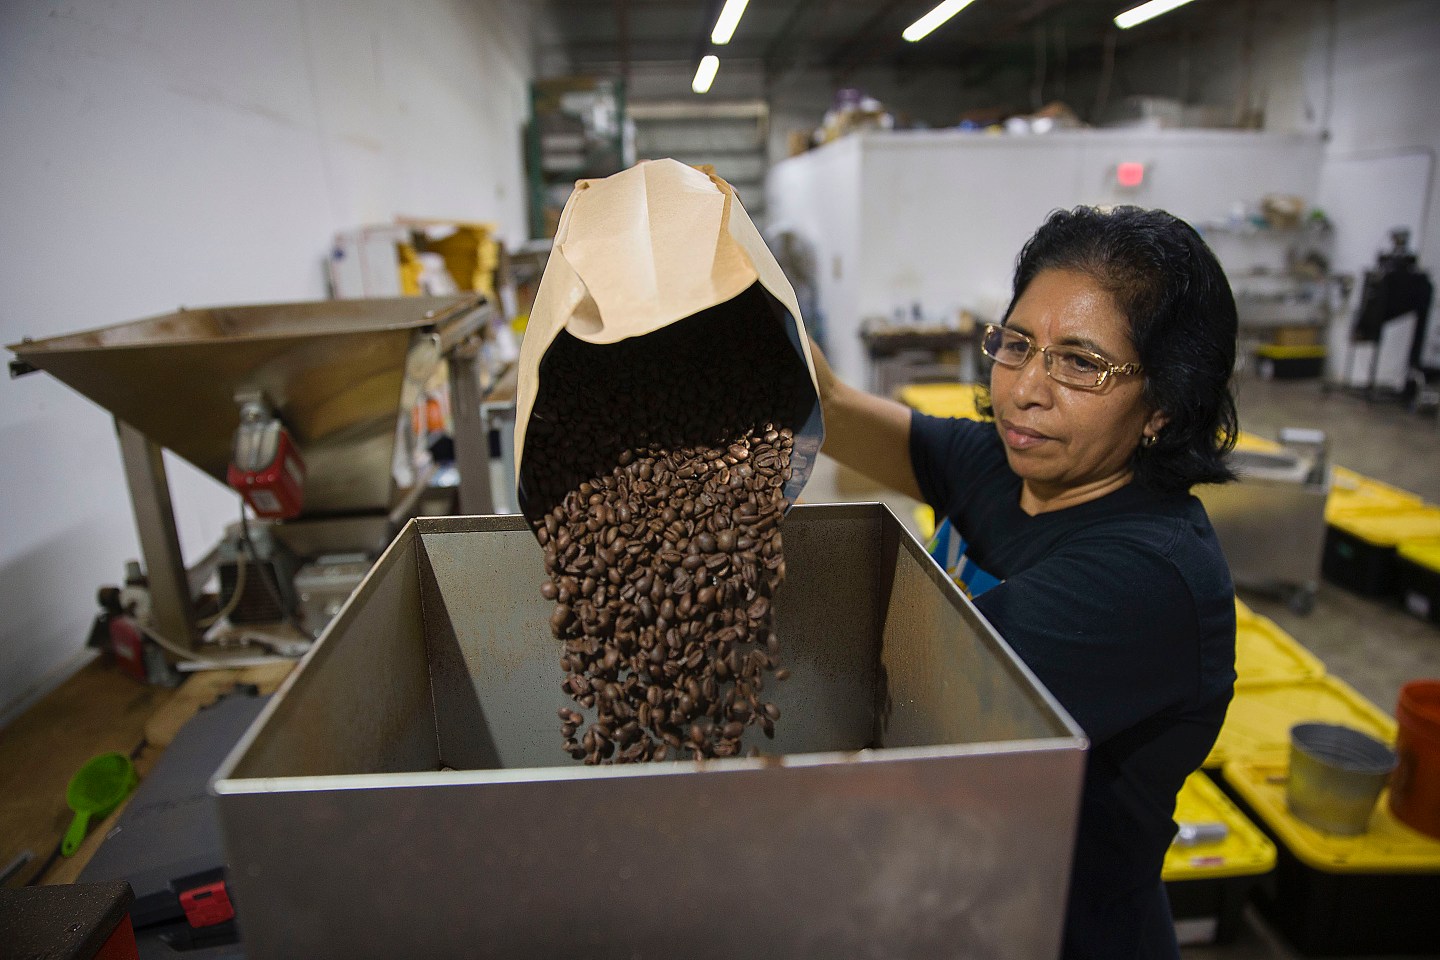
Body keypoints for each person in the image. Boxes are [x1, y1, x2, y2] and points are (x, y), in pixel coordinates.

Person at [811, 205, 1239, 959]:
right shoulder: (1013, 469)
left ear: (1163, 408)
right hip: (949, 892)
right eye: (1017, 344)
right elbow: (837, 411)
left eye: (1079, 363)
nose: (1023, 391)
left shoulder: (1141, 577)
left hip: (1052, 930)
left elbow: (903, 706)